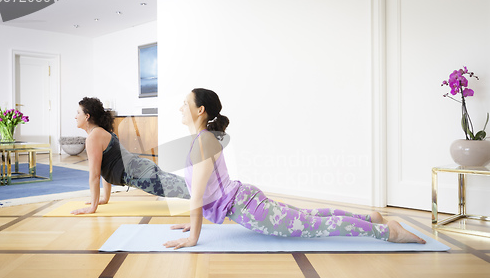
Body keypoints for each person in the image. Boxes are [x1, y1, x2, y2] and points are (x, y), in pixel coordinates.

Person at [163, 88, 426, 249]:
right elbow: (205, 192)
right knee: (310, 215)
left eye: (185, 104)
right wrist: (193, 223)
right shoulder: (203, 140)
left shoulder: (204, 141)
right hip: (245, 200)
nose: (180, 108)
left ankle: (388, 232)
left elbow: (197, 196)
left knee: (314, 225)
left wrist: (193, 238)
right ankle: (371, 219)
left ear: (200, 110)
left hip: (247, 207)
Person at [71, 97, 190, 214]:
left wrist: (93, 207)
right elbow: (104, 170)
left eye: (78, 113)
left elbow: (94, 175)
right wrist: (105, 199)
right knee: (190, 185)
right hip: (142, 168)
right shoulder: (100, 132)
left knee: (189, 190)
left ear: (87, 116)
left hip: (140, 174)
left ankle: (208, 198)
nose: (75, 116)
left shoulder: (93, 137)